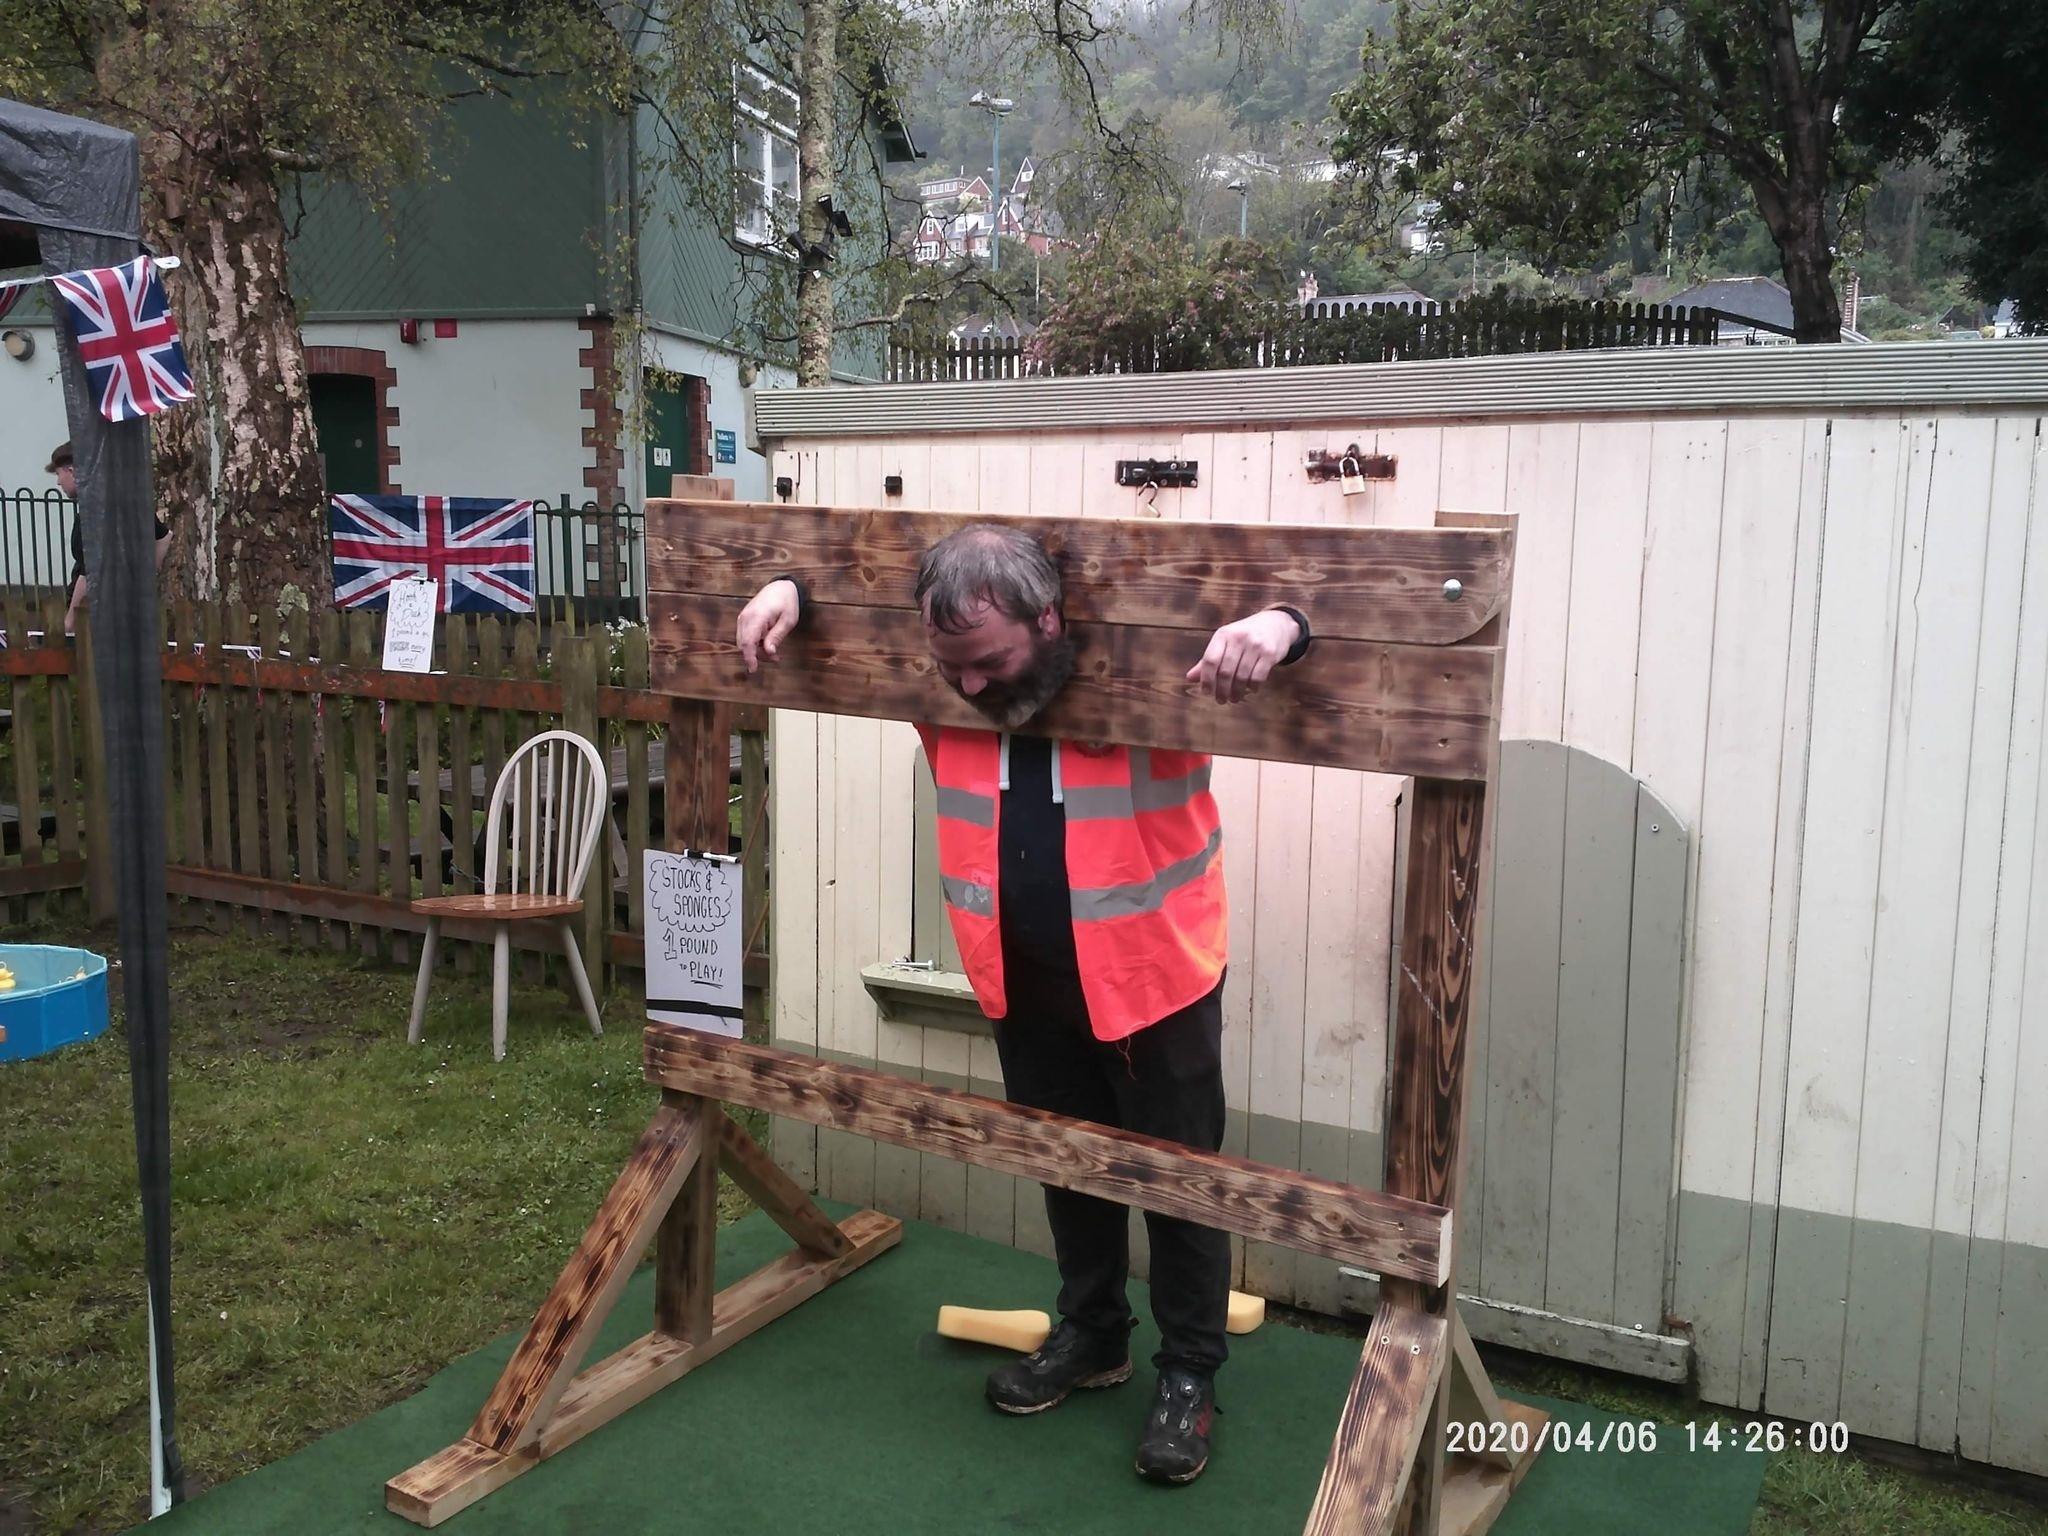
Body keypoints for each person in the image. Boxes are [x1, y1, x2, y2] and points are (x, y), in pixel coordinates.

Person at [735, 524, 1312, 1487]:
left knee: (1177, 1184)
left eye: (990, 661)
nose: (968, 686)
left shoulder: (1159, 675)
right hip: (1022, 977)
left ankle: (1189, 1374)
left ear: (1050, 620)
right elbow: (848, 599)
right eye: (949, 667)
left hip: (1153, 980)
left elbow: (1310, 629)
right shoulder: (949, 691)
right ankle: (1093, 1335)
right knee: (1065, 1166)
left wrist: (1286, 624)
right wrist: (793, 584)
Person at [50, 440, 172, 636]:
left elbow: (88, 573)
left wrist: (71, 619)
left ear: (72, 471)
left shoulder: (91, 512)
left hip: (95, 615)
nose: (58, 482)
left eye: (58, 474)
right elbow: (164, 537)